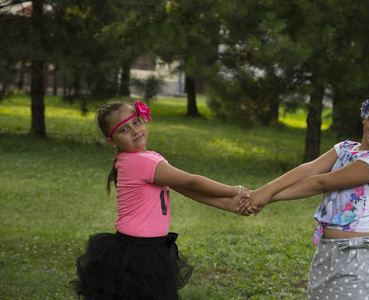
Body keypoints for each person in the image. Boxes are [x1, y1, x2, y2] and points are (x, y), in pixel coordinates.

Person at [73, 100, 250, 300]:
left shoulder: (147, 158)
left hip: (145, 248)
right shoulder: (140, 162)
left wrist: (227, 204)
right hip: (138, 252)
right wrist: (236, 190)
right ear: (111, 141)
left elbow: (182, 187)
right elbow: (191, 182)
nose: (134, 131)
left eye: (136, 122)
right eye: (124, 129)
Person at [244, 93, 369, 299]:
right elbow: (308, 170)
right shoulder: (345, 148)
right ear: (365, 117)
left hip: (357, 255)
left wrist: (267, 196)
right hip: (327, 250)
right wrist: (264, 191)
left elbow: (320, 182)